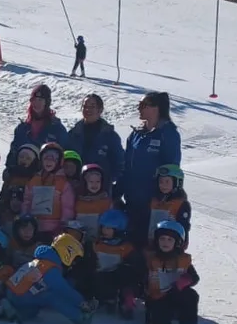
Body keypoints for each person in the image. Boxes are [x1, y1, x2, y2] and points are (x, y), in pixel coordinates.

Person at [117, 91, 182, 246]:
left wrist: (163, 196)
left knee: (150, 246)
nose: (139, 108)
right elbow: (126, 166)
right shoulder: (136, 134)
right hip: (132, 199)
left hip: (154, 203)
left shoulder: (167, 134)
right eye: (139, 104)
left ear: (156, 108)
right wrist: (117, 190)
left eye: (143, 105)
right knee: (130, 244)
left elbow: (172, 169)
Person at [5, 233, 94, 324]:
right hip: (19, 296)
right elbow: (64, 290)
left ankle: (11, 310)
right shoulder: (50, 269)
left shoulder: (44, 261)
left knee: (34, 310)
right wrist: (81, 302)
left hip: (13, 292)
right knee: (51, 297)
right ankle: (80, 317)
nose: (74, 261)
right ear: (68, 252)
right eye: (74, 257)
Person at [144, 221, 199, 324]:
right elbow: (139, 276)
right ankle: (163, 314)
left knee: (191, 295)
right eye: (162, 239)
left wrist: (187, 280)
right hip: (157, 297)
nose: (165, 242)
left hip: (176, 293)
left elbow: (195, 277)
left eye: (170, 239)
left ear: (177, 242)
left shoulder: (182, 260)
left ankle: (188, 322)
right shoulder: (150, 258)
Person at [91, 209, 142, 320]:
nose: (105, 231)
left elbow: (134, 264)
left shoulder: (126, 247)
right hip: (103, 276)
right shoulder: (97, 244)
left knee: (127, 277)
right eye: (104, 227)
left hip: (119, 276)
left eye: (109, 228)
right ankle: (107, 299)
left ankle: (126, 301)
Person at [68, 94, 123, 188]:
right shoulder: (73, 133)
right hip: (76, 187)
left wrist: (107, 183)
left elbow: (119, 164)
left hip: (100, 189)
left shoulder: (110, 136)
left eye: (92, 106)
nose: (87, 109)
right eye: (85, 106)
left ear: (100, 110)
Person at [23, 143, 75, 237]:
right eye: (46, 158)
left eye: (53, 159)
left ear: (59, 161)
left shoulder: (63, 183)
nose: (48, 162)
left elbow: (67, 207)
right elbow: (27, 201)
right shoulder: (34, 180)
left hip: (54, 229)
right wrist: (24, 218)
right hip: (33, 227)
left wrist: (63, 225)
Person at [8, 84, 69, 161]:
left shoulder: (57, 129)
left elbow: (63, 155)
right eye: (34, 99)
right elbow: (13, 154)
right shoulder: (22, 127)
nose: (36, 103)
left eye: (40, 100)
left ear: (46, 102)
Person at [147, 164, 192, 244]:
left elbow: (184, 228)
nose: (163, 185)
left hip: (170, 247)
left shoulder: (181, 204)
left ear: (177, 183)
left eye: (167, 181)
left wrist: (180, 245)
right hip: (151, 244)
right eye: (160, 181)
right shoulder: (154, 200)